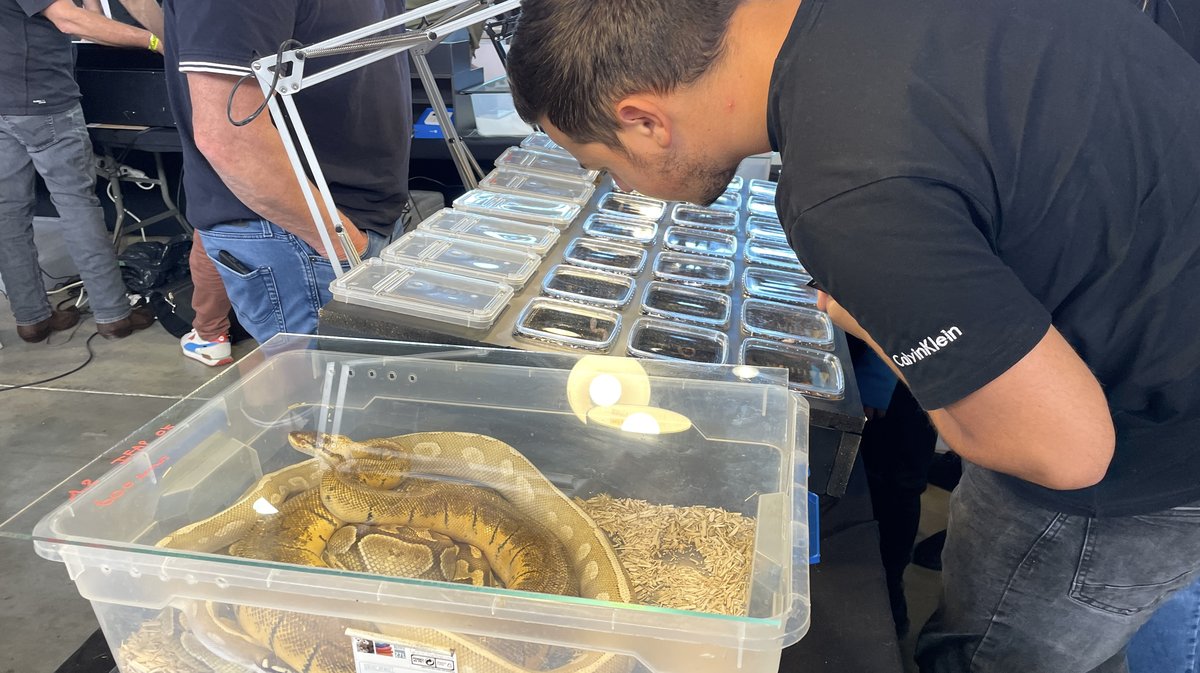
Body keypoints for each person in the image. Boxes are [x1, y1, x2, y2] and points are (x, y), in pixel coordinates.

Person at [505, 1, 1200, 671]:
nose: (623, 188)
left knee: (987, 654)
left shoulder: (845, 189)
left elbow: (1065, 451)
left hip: (1145, 453)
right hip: (1149, 309)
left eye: (604, 168)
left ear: (644, 121)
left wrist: (870, 322)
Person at [161, 0, 412, 344]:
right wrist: (344, 245)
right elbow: (229, 136)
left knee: (360, 382)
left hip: (351, 220)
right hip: (304, 234)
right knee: (325, 388)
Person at [0, 0, 160, 342]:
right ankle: (114, 315)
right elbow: (69, 20)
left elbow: (90, 20)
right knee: (76, 206)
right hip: (43, 101)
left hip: (6, 100)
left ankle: (31, 319)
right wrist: (154, 40)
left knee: (8, 212)